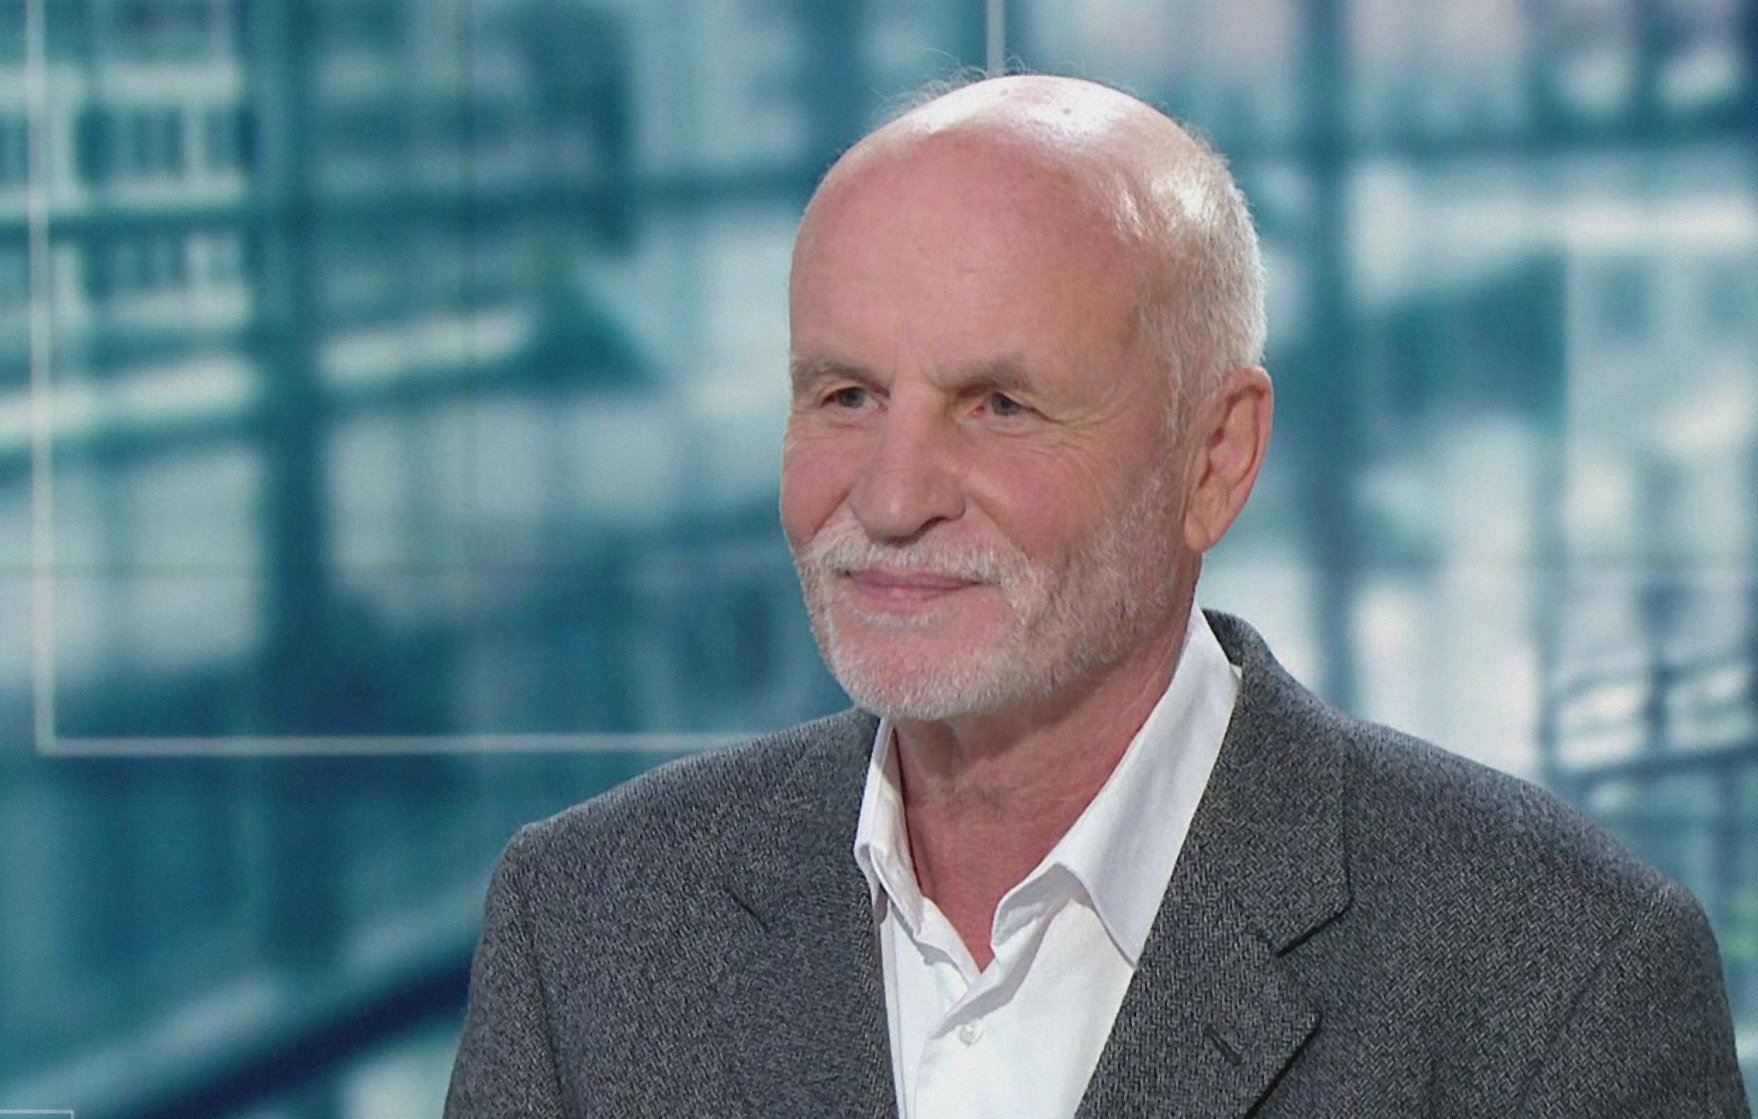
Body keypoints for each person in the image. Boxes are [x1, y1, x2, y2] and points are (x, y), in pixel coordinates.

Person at [445, 76, 1750, 1118]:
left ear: (1213, 458)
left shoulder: (1558, 974)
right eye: (845, 396)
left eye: (998, 406)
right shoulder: (590, 923)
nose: (891, 499)